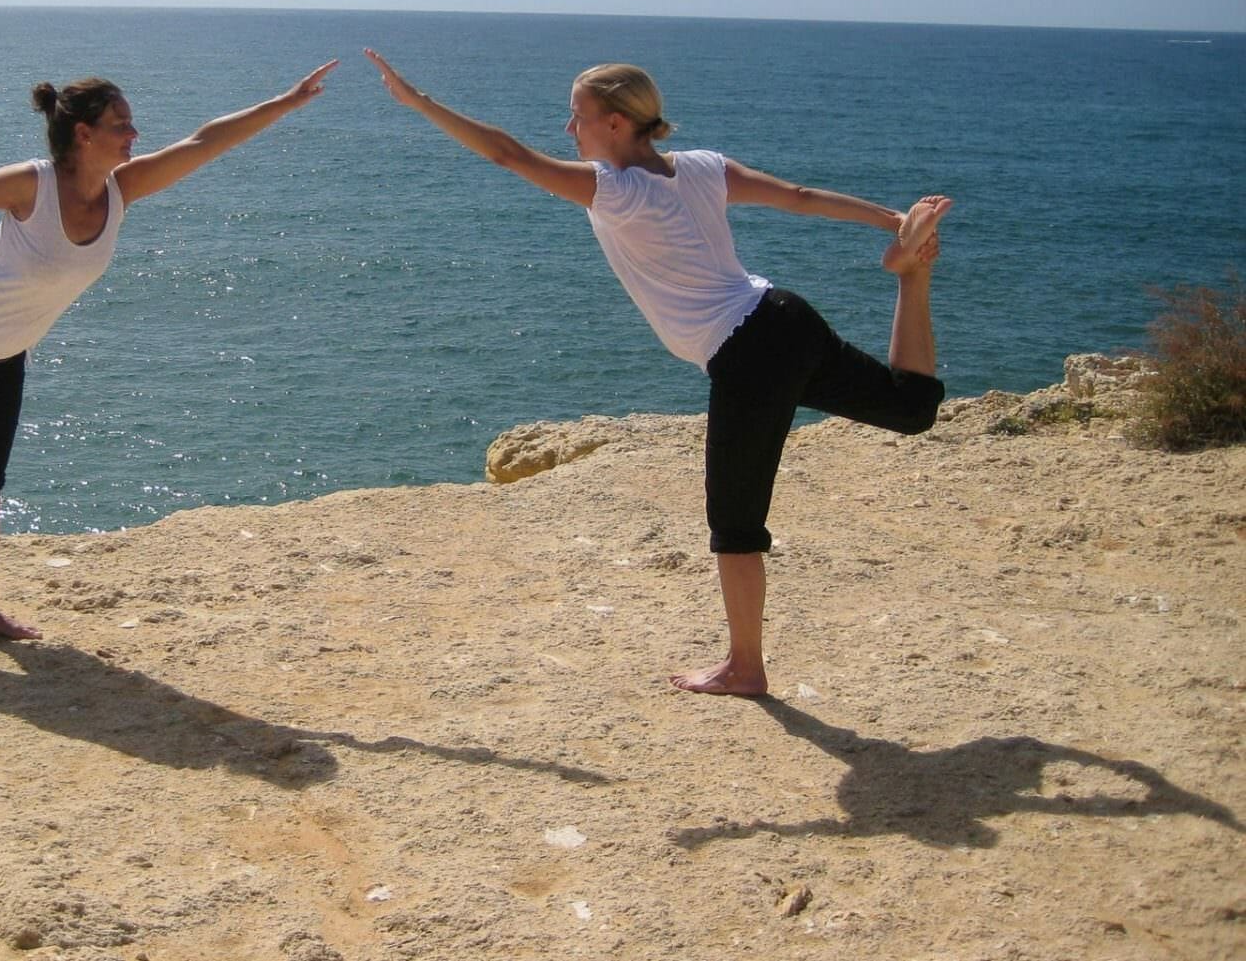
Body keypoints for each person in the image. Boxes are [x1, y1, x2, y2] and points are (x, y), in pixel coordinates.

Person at [365, 48, 949, 696]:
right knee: (911, 407)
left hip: (747, 350)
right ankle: (912, 274)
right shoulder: (702, 167)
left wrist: (418, 101)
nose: (569, 130)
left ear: (615, 122)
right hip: (785, 314)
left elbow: (508, 154)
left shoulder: (615, 190)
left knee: (735, 522)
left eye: (577, 116)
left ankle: (745, 668)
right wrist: (894, 221)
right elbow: (800, 197)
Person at [0, 60, 339, 639]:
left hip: (4, 350)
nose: (134, 133)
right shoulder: (32, 183)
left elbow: (205, 141)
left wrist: (286, 101)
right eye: (122, 123)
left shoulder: (123, 190)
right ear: (84, 133)